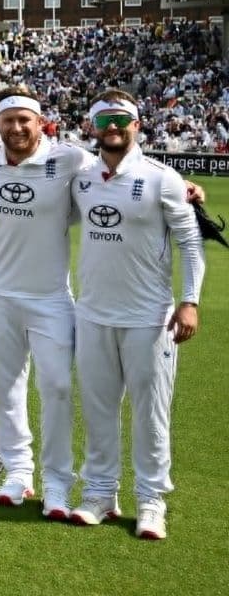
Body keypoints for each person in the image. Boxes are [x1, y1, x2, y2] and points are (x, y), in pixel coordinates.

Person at [69, 90, 205, 540]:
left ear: (137, 125)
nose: (113, 126)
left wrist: (189, 300)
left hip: (150, 318)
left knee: (151, 413)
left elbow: (191, 243)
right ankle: (101, 494)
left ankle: (151, 501)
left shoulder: (162, 178)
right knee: (99, 408)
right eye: (104, 118)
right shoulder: (82, 177)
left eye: (121, 119)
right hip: (92, 315)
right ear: (92, 125)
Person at [0, 84, 92, 519]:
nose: (17, 127)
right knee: (7, 389)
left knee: (58, 388)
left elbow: (122, 169)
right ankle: (18, 473)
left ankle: (58, 483)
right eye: (8, 120)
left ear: (40, 122)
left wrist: (181, 184)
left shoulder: (69, 159)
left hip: (51, 298)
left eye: (24, 119)